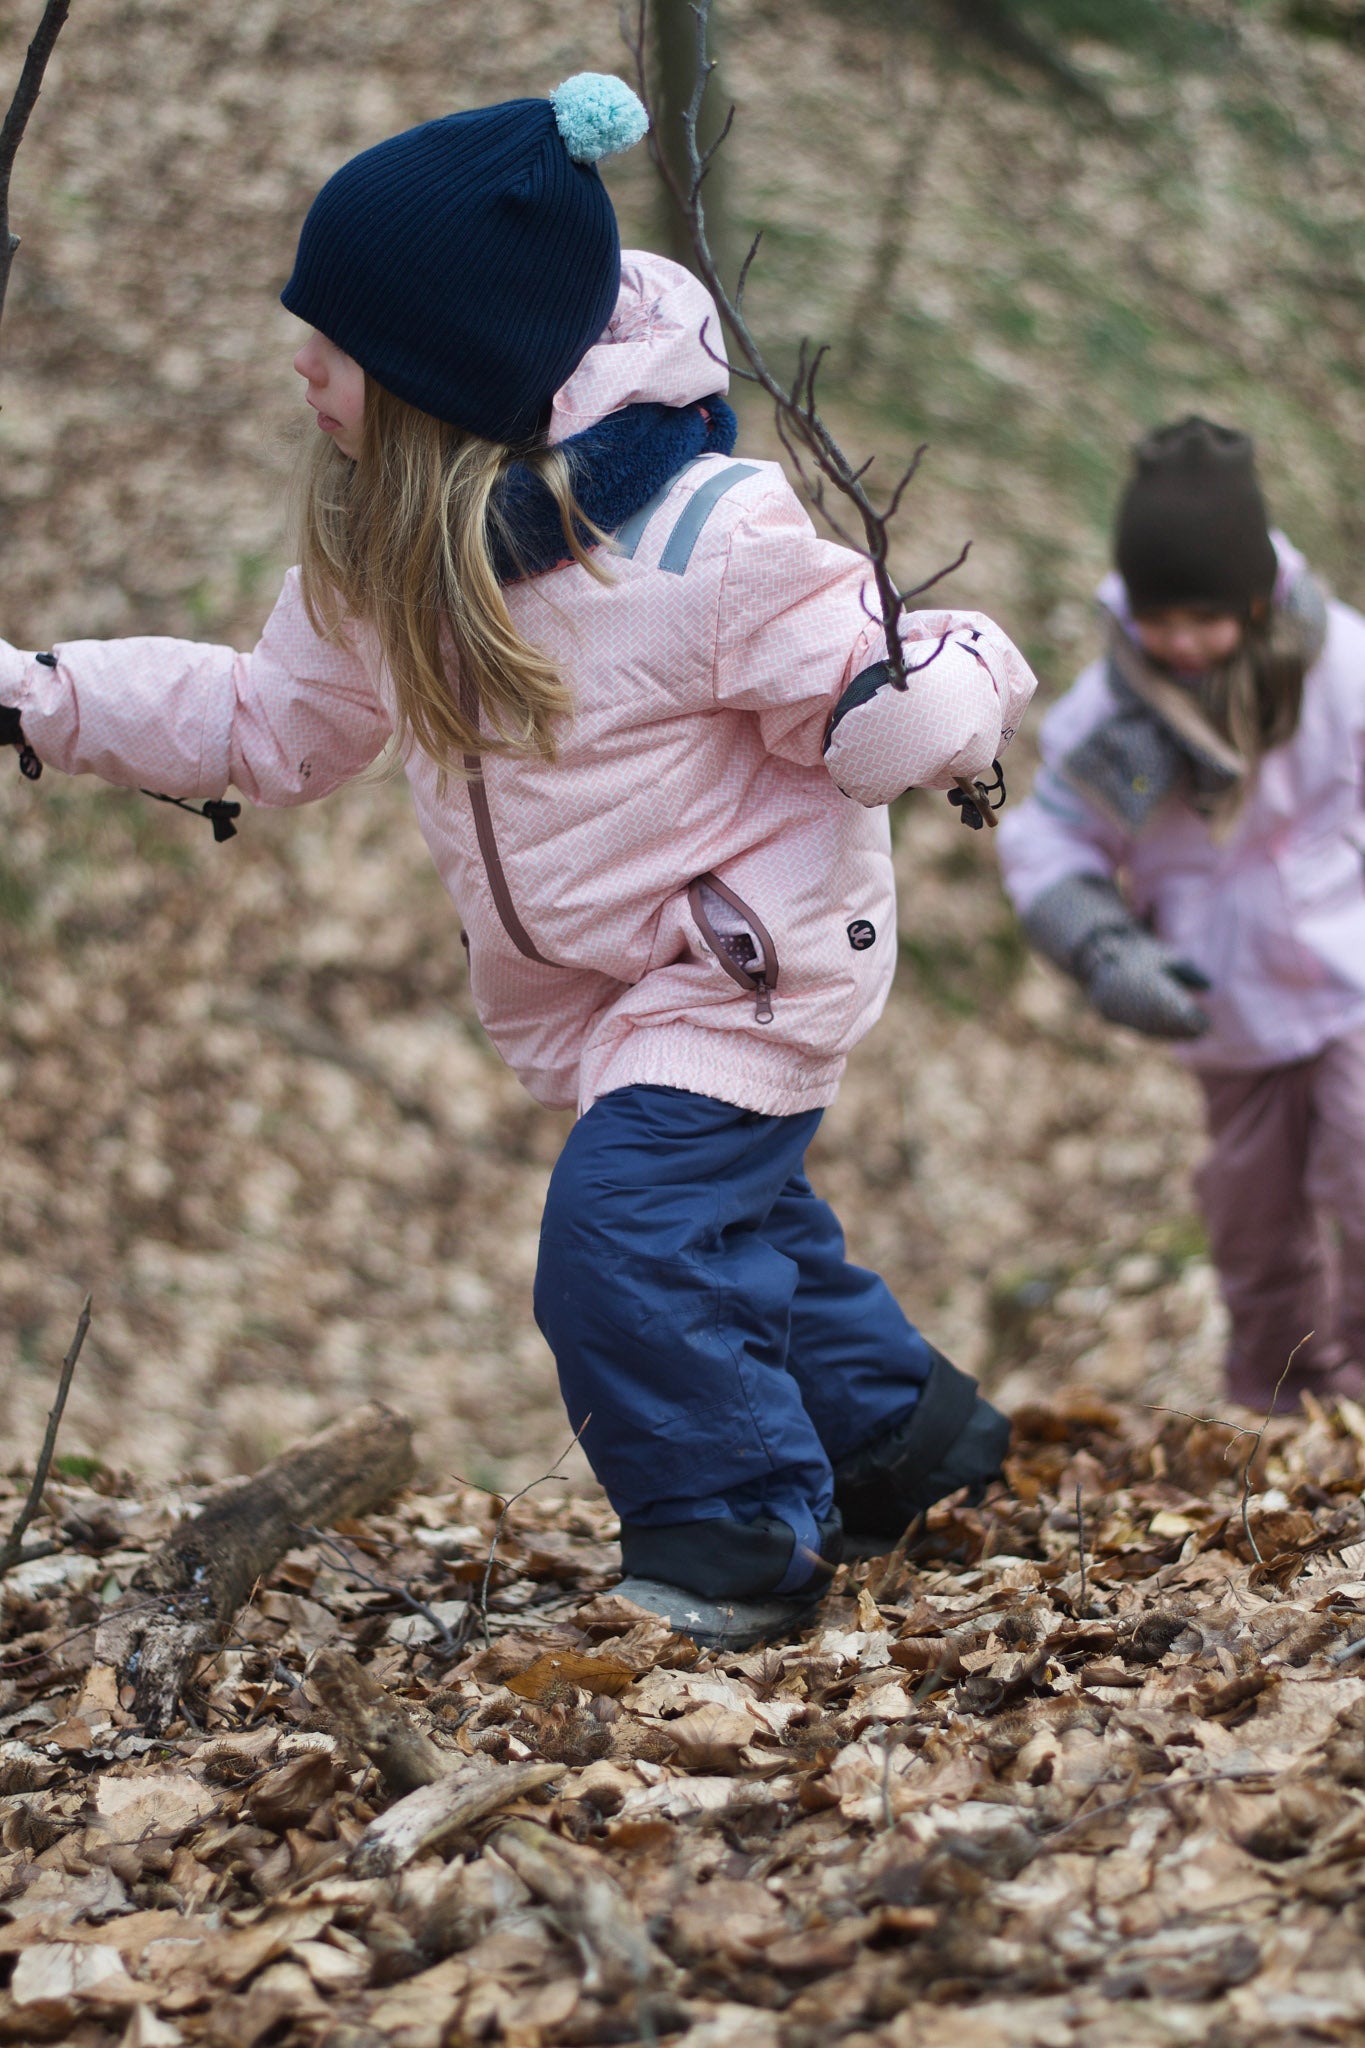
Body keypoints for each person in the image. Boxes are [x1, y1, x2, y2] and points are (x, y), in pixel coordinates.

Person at [0, 75, 1036, 1645]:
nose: (303, 364)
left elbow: (898, 660)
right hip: (604, 991)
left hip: (741, 970)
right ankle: (913, 1446)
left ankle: (733, 1542)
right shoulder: (387, 562)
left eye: (335, 341)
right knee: (735, 1237)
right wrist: (48, 703)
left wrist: (936, 704)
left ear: (447, 368)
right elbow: (263, 722)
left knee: (625, 1243)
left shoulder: (702, 541)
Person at [999, 416, 1365, 1416]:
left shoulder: (1341, 668)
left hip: (1350, 980)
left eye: (1207, 619)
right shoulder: (1115, 715)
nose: (1184, 643)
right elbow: (1050, 842)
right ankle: (1282, 1408)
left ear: (1257, 599)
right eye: (1162, 621)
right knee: (1254, 1227)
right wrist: (1105, 947)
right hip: (1225, 1005)